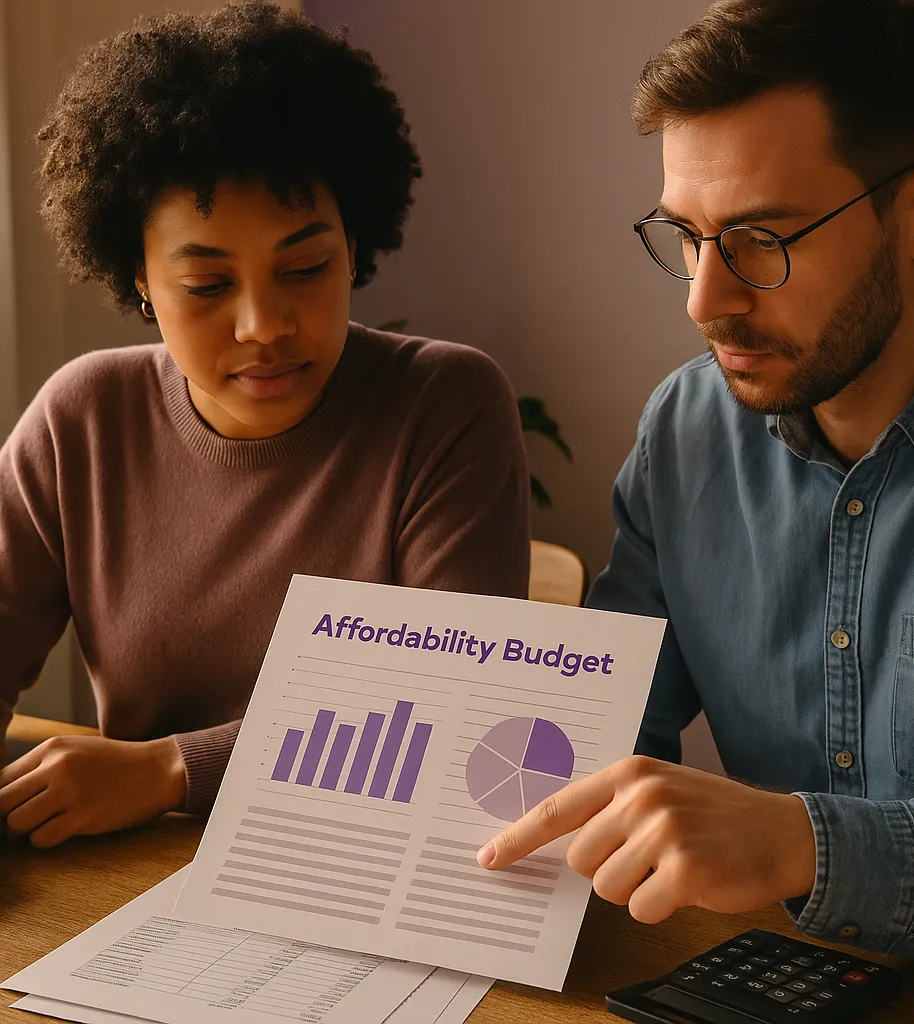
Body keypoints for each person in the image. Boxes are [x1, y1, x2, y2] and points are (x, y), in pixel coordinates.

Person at [479, 0, 914, 966]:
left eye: (762, 239)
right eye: (685, 233)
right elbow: (591, 729)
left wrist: (808, 847)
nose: (704, 298)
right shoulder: (685, 434)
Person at [0, 1, 530, 848]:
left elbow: (452, 706)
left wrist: (170, 769)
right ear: (140, 278)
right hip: (139, 870)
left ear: (355, 245)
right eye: (208, 286)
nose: (264, 325)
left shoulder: (443, 405)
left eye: (306, 267)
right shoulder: (83, 419)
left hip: (369, 862)